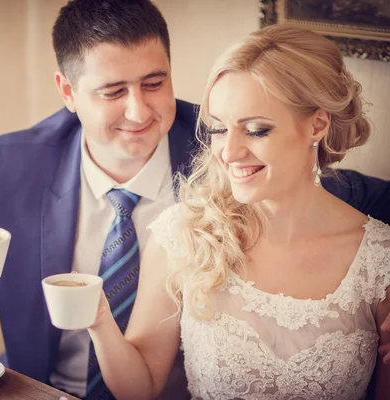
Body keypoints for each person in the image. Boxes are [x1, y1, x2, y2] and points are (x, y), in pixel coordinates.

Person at [0, 1, 390, 398]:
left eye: (154, 82)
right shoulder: (15, 165)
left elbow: (341, 201)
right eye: (113, 91)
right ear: (67, 91)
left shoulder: (225, 143)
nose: (140, 110)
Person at [86, 24, 390, 400]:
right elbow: (140, 388)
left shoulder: (379, 260)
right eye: (218, 130)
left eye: (257, 130)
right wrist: (97, 319)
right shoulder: (184, 233)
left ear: (317, 124)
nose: (228, 152)